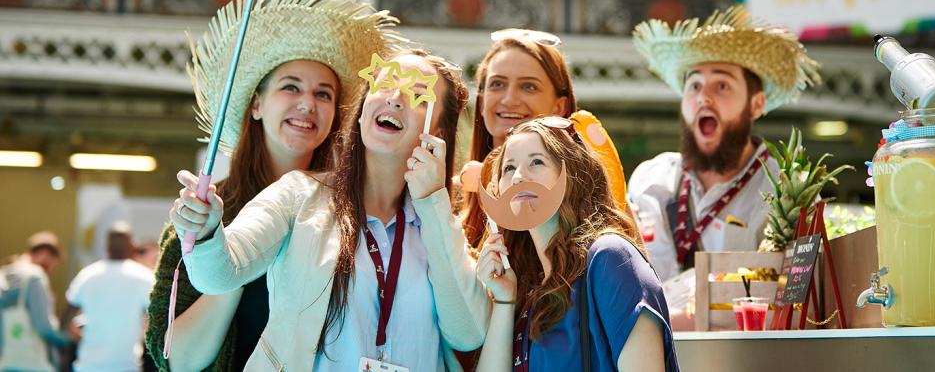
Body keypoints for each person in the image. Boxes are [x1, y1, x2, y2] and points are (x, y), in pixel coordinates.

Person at [171, 49, 485, 371]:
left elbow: (468, 333)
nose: (395, 99)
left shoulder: (440, 225)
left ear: (440, 134)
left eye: (418, 94)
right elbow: (219, 273)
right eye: (385, 84)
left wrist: (432, 203)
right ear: (362, 110)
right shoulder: (299, 194)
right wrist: (207, 229)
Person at [146, 0, 400, 372]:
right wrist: (237, 253)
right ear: (257, 104)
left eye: (323, 94)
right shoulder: (205, 215)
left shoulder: (355, 212)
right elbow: (176, 361)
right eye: (290, 87)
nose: (306, 104)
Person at [627, 6, 821, 281]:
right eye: (694, 86)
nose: (703, 97)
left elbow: (802, 296)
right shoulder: (649, 181)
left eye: (722, 86)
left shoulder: (788, 192)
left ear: (756, 105)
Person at [474, 118, 679, 372]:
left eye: (536, 161)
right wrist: (505, 302)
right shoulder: (527, 286)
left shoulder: (611, 257)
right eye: (508, 168)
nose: (518, 177)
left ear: (573, 173)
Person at [460, 29, 576, 249]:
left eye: (528, 87)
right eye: (497, 84)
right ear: (482, 103)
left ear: (559, 108)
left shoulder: (587, 207)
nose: (509, 99)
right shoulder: (451, 202)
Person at [66, 223, 155, 372]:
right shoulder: (143, 277)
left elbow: (67, 320)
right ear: (131, 247)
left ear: (106, 246)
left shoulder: (87, 275)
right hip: (126, 365)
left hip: (88, 365)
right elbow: (160, 317)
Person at [0, 232, 75, 371]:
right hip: (32, 363)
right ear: (46, 254)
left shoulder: (4, 273)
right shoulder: (35, 278)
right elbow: (43, 326)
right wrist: (67, 339)